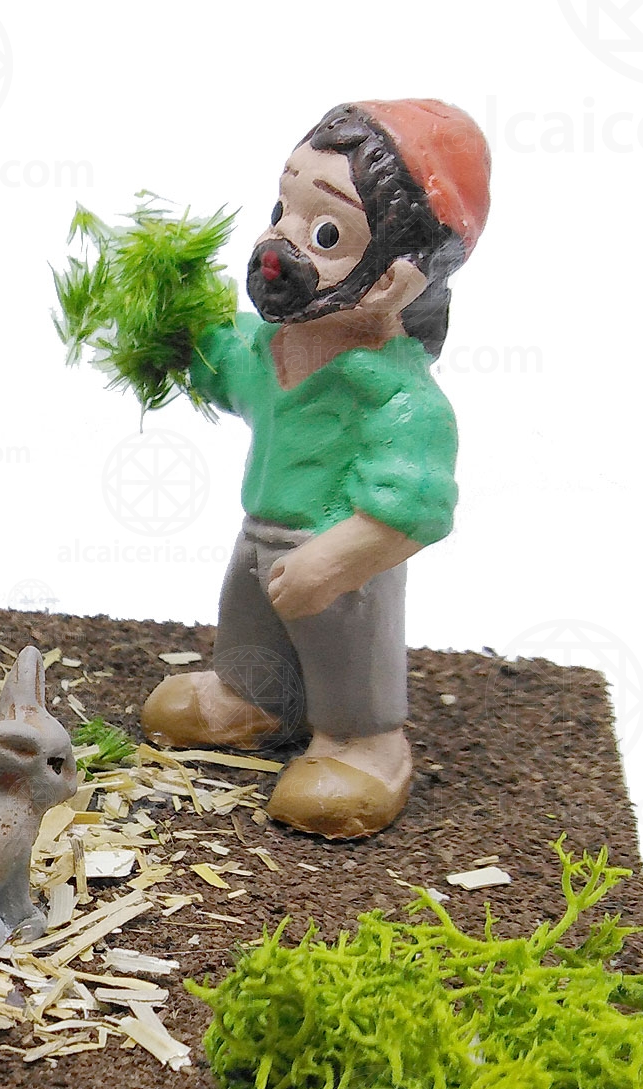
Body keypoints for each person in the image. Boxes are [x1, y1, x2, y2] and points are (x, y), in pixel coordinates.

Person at [140, 99, 491, 838]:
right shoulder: (272, 347)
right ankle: (255, 699)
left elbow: (415, 507)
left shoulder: (396, 395)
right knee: (249, 624)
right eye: (283, 210)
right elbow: (226, 369)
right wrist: (170, 329)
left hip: (340, 558)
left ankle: (364, 745)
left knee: (345, 650)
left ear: (397, 278)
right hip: (261, 532)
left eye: (325, 232)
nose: (279, 244)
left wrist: (335, 560)